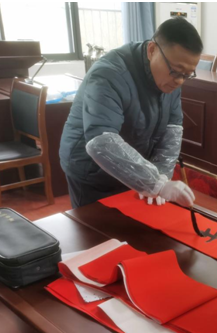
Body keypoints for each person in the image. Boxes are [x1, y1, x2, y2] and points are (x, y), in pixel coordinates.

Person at [59, 17, 201, 209]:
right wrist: (155, 184)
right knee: (94, 226)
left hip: (135, 168)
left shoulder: (171, 78)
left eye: (187, 75)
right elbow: (101, 141)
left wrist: (159, 176)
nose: (180, 81)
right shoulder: (110, 74)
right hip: (92, 171)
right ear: (152, 50)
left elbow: (172, 130)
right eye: (176, 71)